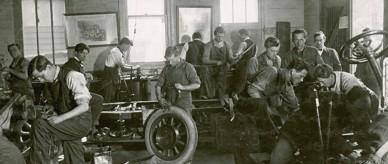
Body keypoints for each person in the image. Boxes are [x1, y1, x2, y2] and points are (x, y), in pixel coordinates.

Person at [28, 56, 92, 164]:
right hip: (70, 123)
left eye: (41, 76)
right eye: (37, 78)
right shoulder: (51, 81)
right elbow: (62, 101)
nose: (40, 80)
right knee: (73, 155)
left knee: (40, 124)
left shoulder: (72, 76)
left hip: (81, 122)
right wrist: (52, 107)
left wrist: (60, 118)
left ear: (48, 67)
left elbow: (84, 106)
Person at [62, 43, 104, 134]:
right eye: (82, 53)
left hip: (74, 93)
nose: (84, 56)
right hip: (71, 96)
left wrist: (86, 76)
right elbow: (75, 80)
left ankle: (90, 125)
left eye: (86, 54)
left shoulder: (76, 63)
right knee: (99, 100)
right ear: (76, 52)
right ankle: (90, 126)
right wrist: (86, 77)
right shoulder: (72, 64)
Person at [156, 46, 201, 115]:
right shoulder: (166, 68)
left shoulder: (187, 67)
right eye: (168, 61)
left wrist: (183, 87)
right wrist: (160, 99)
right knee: (169, 122)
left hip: (184, 102)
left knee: (186, 122)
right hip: (168, 101)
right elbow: (158, 86)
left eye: (171, 60)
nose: (170, 63)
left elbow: (197, 84)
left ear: (178, 56)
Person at [0, 43, 35, 130]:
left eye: (14, 50)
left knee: (19, 114)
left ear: (20, 50)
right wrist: (8, 77)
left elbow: (25, 76)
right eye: (10, 51)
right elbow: (14, 77)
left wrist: (9, 70)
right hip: (16, 92)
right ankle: (8, 129)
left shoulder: (24, 61)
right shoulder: (14, 62)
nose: (12, 52)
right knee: (8, 111)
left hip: (25, 92)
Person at [202, 26, 234, 106]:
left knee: (222, 75)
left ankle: (222, 98)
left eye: (222, 36)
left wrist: (233, 58)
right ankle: (211, 96)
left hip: (223, 68)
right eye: (218, 36)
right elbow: (204, 60)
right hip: (211, 68)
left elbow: (230, 57)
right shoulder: (209, 45)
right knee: (207, 73)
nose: (220, 38)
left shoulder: (227, 45)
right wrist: (216, 62)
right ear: (215, 35)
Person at [102, 37, 138, 102]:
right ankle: (107, 110)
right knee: (109, 97)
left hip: (114, 76)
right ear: (123, 44)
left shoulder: (118, 51)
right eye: (128, 46)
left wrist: (133, 66)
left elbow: (123, 64)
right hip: (110, 77)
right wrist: (135, 68)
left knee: (114, 96)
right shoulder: (116, 52)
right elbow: (123, 68)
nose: (128, 49)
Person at [354, 27, 382, 102]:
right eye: (363, 35)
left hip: (373, 70)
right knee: (363, 91)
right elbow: (357, 54)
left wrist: (362, 47)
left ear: (370, 35)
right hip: (361, 71)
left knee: (375, 91)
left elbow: (376, 54)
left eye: (367, 35)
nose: (365, 37)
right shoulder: (359, 44)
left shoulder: (376, 43)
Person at [230, 29, 257, 99]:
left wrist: (233, 57)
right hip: (251, 65)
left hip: (243, 64)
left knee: (239, 79)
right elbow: (254, 56)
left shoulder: (243, 43)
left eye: (239, 35)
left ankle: (235, 94)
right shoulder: (254, 44)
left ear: (243, 35)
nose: (239, 37)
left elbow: (238, 55)